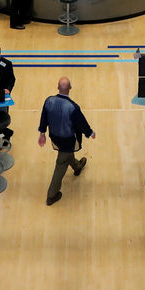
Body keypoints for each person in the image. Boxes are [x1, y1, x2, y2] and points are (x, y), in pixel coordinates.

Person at [38, 77, 95, 206]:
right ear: (70, 88)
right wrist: (90, 133)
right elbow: (81, 123)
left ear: (57, 87)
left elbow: (43, 118)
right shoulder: (73, 107)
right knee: (61, 163)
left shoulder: (48, 101)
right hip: (68, 140)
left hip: (54, 137)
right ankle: (51, 195)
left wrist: (42, 133)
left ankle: (77, 166)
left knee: (67, 155)